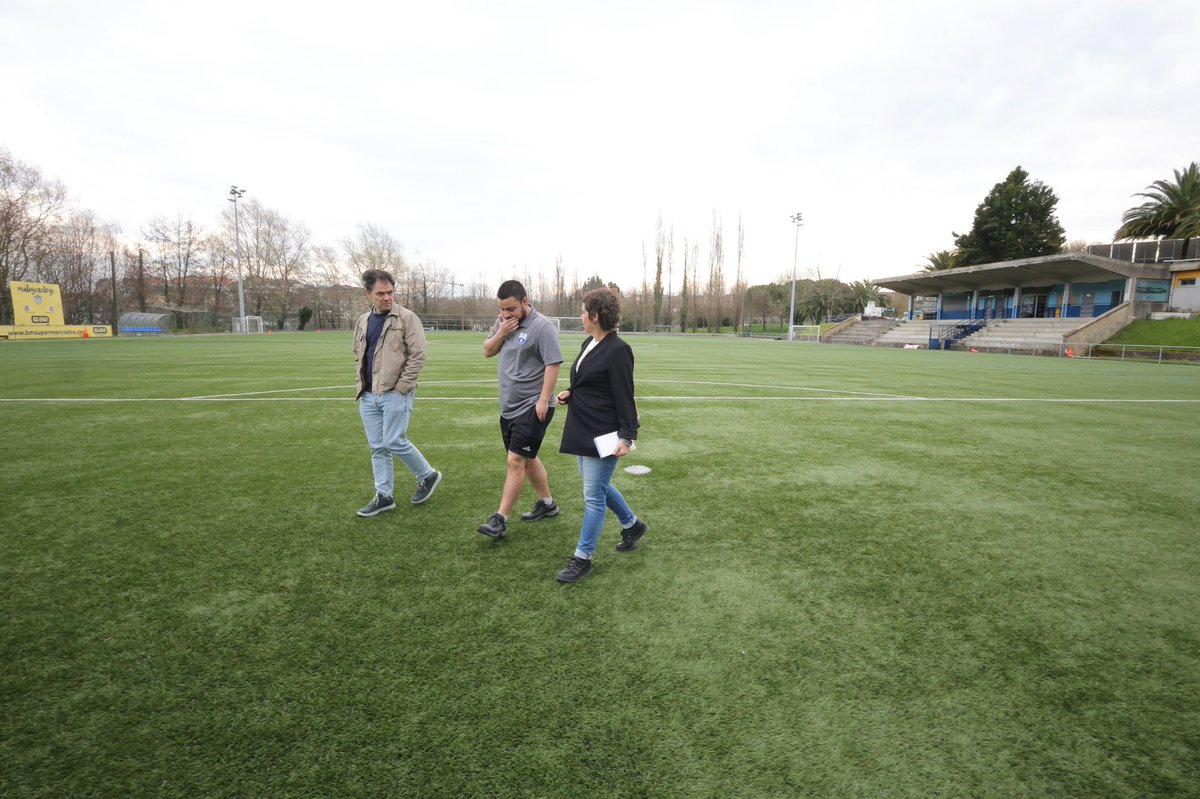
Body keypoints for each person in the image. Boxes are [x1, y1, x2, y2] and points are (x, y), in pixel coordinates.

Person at [553, 287, 647, 583]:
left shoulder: (618, 350)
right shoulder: (589, 342)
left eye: (583, 312)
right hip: (584, 428)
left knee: (593, 496)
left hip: (605, 433)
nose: (581, 317)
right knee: (599, 487)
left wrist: (627, 438)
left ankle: (582, 558)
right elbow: (590, 381)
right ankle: (632, 525)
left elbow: (624, 395)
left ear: (595, 316)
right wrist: (572, 392)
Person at [477, 280, 564, 538]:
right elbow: (487, 350)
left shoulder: (542, 327)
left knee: (515, 459)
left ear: (525, 301)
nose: (506, 314)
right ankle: (547, 504)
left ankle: (500, 518)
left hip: (533, 406)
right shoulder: (503, 323)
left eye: (511, 309)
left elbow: (553, 364)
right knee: (526, 458)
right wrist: (502, 332)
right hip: (509, 407)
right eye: (502, 309)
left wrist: (543, 399)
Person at [353, 269, 442, 517]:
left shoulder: (407, 318)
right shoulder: (362, 321)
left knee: (393, 441)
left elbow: (418, 355)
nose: (386, 297)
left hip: (395, 393)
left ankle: (427, 474)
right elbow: (358, 354)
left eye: (390, 292)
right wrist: (361, 384)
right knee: (377, 448)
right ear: (368, 294)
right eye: (380, 293)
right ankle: (384, 496)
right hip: (368, 395)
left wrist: (401, 388)